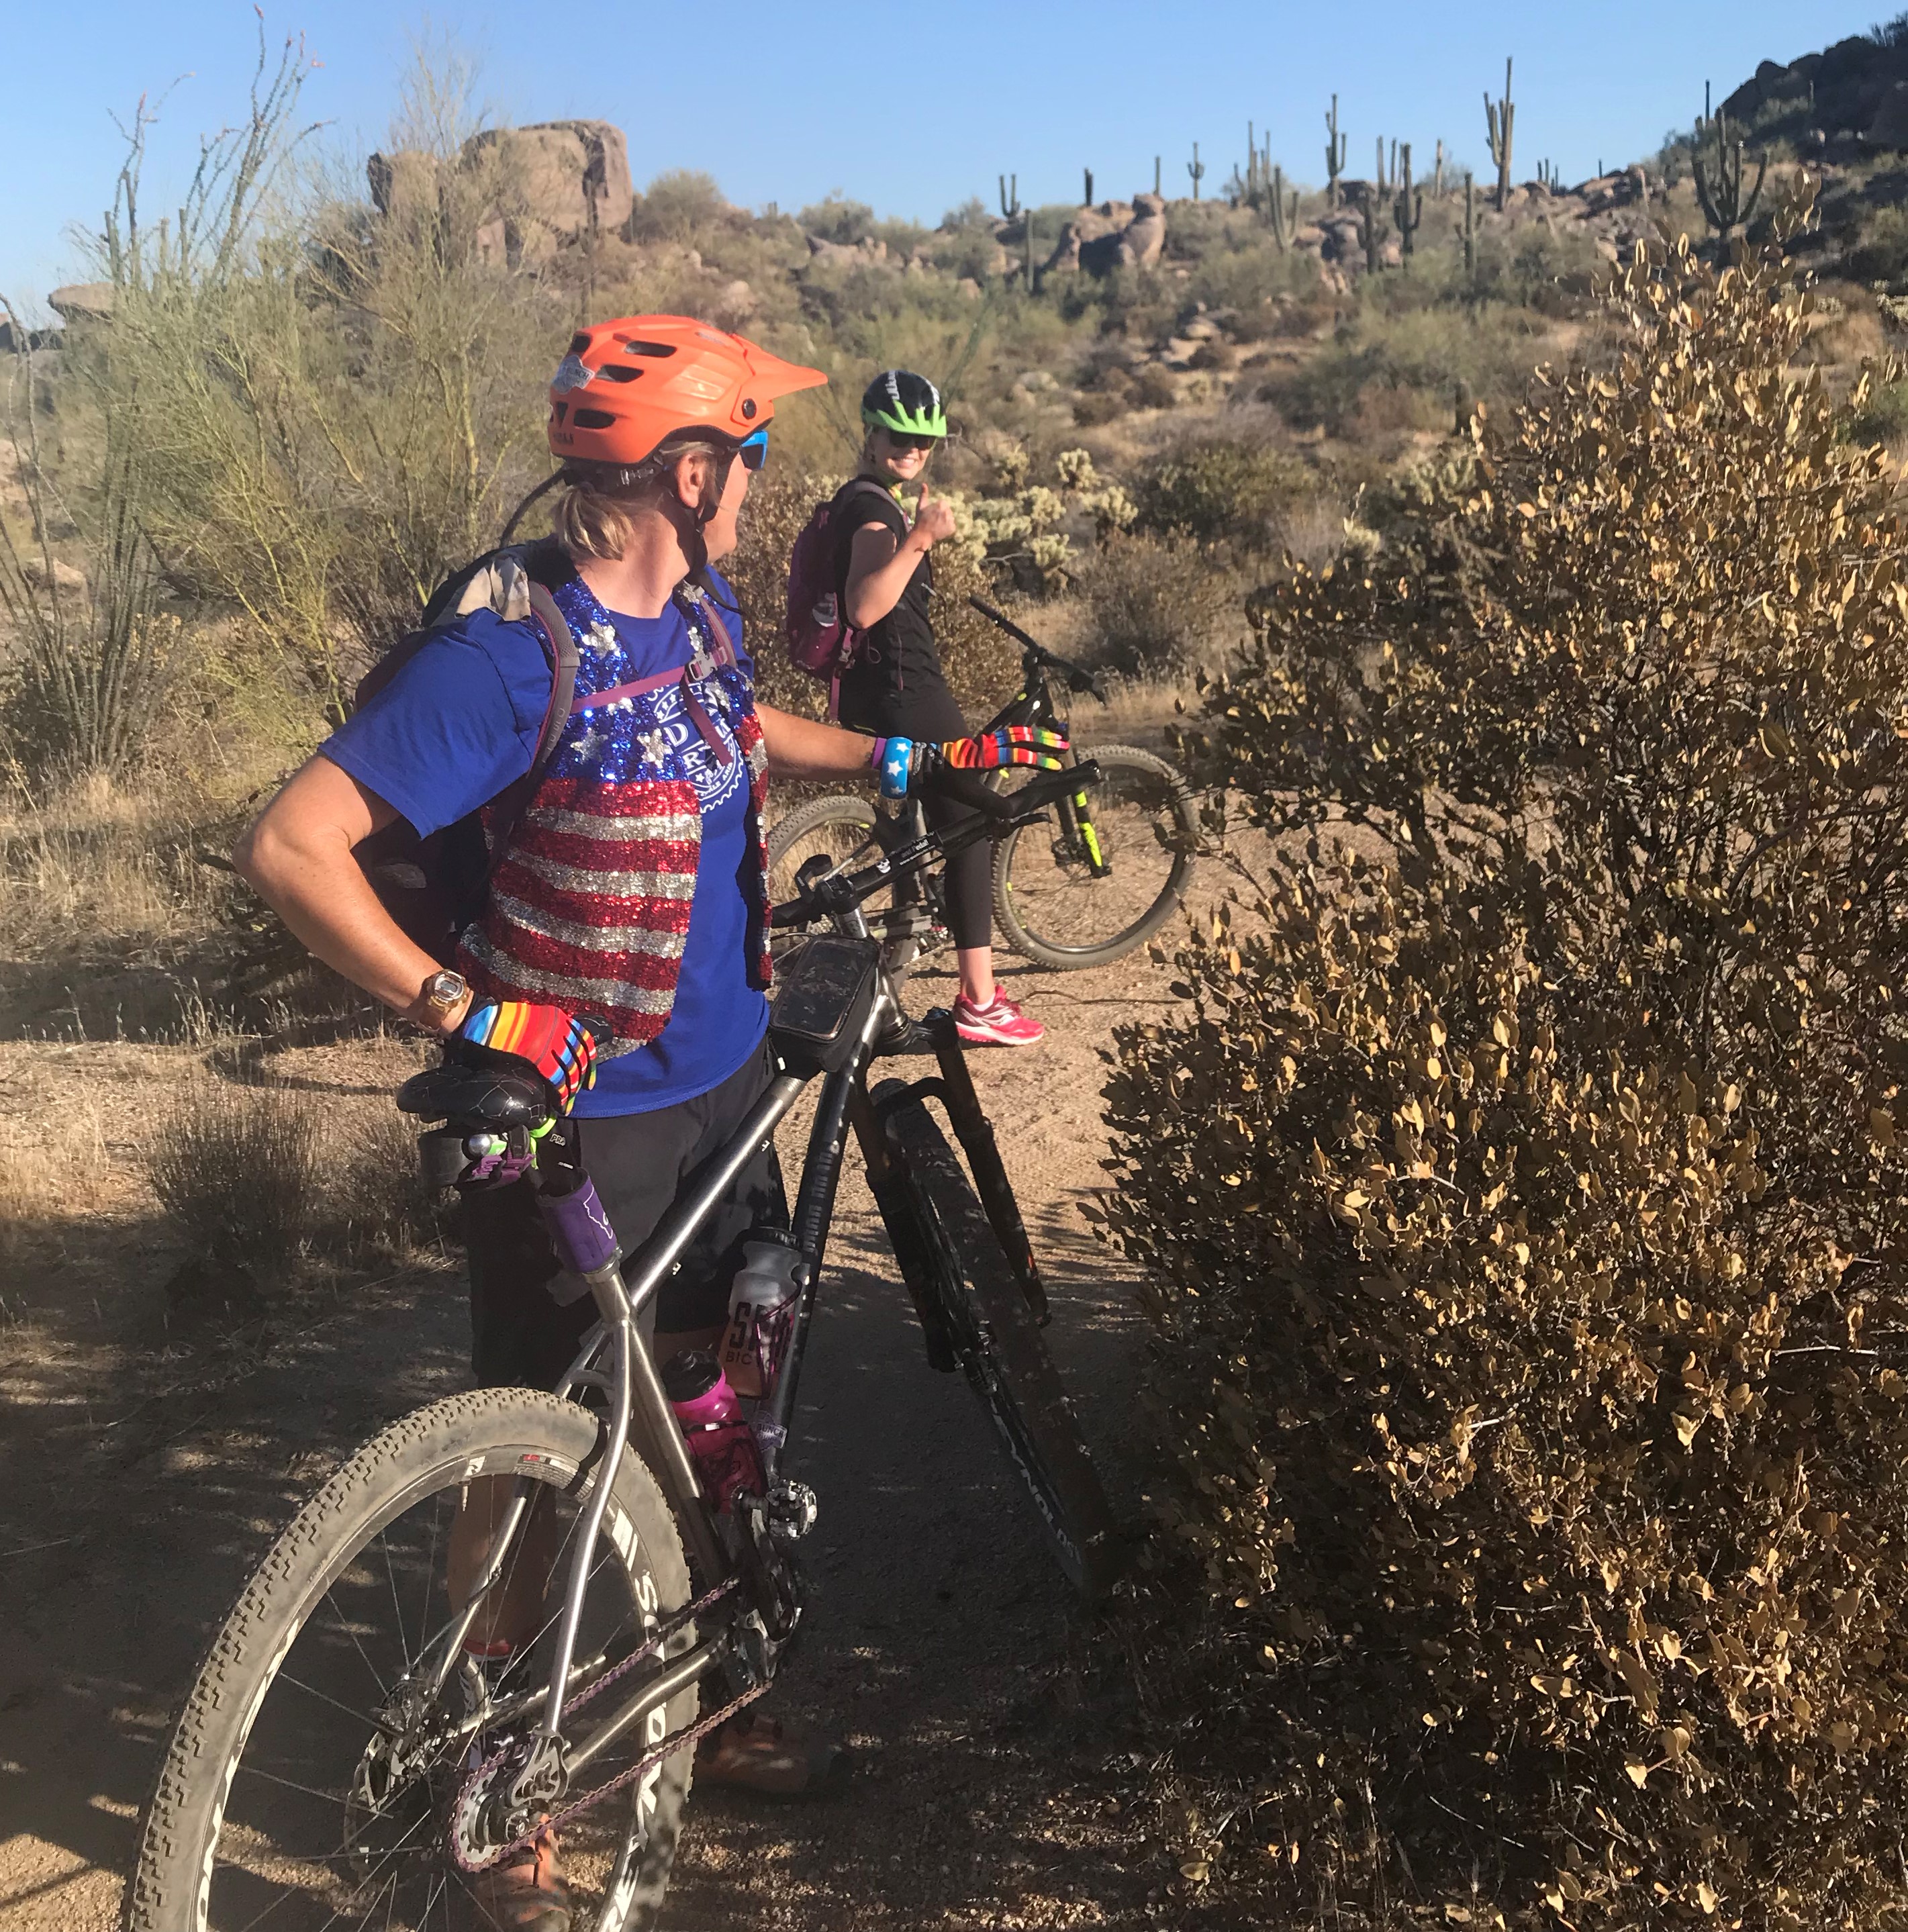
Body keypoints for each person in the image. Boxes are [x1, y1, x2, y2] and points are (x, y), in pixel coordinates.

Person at [232, 315, 1065, 1932]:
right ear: (686, 472)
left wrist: (919, 754)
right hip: (577, 1126)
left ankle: (708, 1704)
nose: (763, 486)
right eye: (747, 460)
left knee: (711, 1403)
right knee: (538, 1446)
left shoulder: (694, 616)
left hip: (722, 1080)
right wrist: (466, 1013)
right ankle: (505, 1774)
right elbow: (293, 846)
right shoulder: (507, 656)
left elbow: (747, 744)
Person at [833, 369, 1045, 1047]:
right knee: (973, 824)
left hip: (891, 688)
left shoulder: (869, 500)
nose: (913, 449)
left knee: (943, 823)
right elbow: (865, 605)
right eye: (900, 436)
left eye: (925, 441)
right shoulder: (871, 509)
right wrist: (919, 537)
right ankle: (980, 1002)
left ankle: (912, 923)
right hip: (907, 693)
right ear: (870, 434)